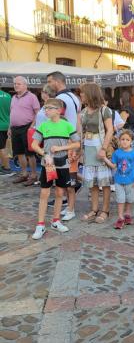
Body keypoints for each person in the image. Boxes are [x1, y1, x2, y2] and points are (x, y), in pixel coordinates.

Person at [31, 98, 80, 240]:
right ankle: (40, 225)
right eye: (45, 108)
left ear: (59, 110)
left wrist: (61, 148)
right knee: (44, 194)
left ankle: (56, 221)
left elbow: (77, 143)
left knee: (60, 193)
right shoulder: (43, 126)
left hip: (63, 164)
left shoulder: (67, 126)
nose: (45, 110)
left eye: (49, 108)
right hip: (48, 165)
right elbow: (34, 144)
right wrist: (45, 154)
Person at [47, 71, 81, 220]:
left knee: (67, 178)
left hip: (64, 142)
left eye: (49, 82)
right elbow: (78, 120)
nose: (49, 85)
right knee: (66, 177)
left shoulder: (60, 98)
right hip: (72, 140)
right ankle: (68, 206)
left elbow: (57, 121)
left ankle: (70, 209)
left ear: (56, 81)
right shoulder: (75, 97)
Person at [80, 83, 114, 223]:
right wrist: (78, 151)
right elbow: (80, 132)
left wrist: (104, 149)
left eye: (82, 93)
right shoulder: (83, 112)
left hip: (100, 148)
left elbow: (110, 130)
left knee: (104, 183)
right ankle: (94, 209)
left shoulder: (104, 110)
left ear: (90, 93)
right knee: (93, 183)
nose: (80, 95)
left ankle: (105, 210)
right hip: (88, 149)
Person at [103, 129, 134, 229]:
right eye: (122, 139)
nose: (124, 141)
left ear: (131, 141)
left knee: (129, 199)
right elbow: (113, 166)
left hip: (131, 182)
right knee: (120, 199)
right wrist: (104, 158)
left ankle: (127, 214)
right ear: (119, 140)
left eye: (127, 140)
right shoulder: (117, 153)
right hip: (119, 181)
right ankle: (120, 217)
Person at [10, 76, 40, 186]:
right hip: (15, 128)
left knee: (30, 153)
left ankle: (33, 175)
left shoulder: (32, 97)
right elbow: (12, 113)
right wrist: (10, 127)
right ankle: (24, 174)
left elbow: (38, 112)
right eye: (15, 84)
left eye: (18, 84)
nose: (16, 85)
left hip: (27, 127)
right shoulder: (13, 97)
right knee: (19, 152)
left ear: (25, 85)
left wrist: (31, 127)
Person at [0, 87, 13, 176]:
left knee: (2, 148)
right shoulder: (8, 96)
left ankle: (6, 168)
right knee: (5, 147)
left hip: (1, 125)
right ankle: (5, 167)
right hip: (7, 125)